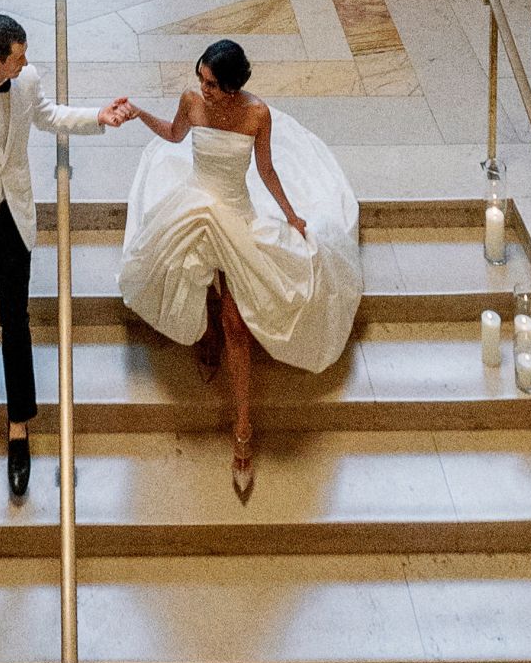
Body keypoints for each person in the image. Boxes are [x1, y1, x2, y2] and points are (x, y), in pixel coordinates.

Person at [116, 38, 362, 501]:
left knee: (236, 320)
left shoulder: (256, 115)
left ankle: (243, 426)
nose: (202, 89)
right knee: (184, 269)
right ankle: (203, 337)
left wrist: (289, 214)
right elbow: (174, 135)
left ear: (231, 88)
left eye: (211, 84)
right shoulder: (191, 101)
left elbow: (265, 170)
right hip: (193, 203)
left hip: (234, 210)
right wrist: (138, 113)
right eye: (201, 79)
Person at [0, 14, 130, 500]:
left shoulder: (27, 80)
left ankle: (19, 426)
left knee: (16, 318)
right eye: (18, 56)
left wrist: (97, 116)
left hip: (14, 213)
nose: (27, 62)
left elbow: (47, 115)